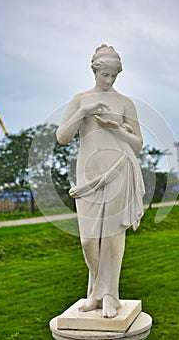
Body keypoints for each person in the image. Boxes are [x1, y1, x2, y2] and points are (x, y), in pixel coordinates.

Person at [56, 44, 145, 318]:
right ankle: (96, 290)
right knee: (88, 240)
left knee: (112, 238)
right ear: (94, 70)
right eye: (104, 75)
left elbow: (138, 143)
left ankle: (109, 294)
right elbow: (62, 137)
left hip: (119, 169)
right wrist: (84, 112)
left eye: (113, 76)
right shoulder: (80, 99)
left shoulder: (125, 103)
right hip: (88, 176)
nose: (108, 81)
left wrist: (115, 127)